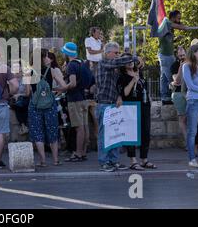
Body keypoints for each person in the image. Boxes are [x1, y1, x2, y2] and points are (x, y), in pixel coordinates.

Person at [96, 42, 141, 172]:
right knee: (104, 135)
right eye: (115, 53)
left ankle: (114, 161)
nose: (117, 55)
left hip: (113, 103)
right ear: (107, 52)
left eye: (118, 53)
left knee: (115, 134)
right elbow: (118, 62)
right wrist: (134, 57)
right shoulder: (104, 62)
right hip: (104, 103)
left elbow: (115, 86)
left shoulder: (112, 66)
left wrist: (119, 96)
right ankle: (104, 162)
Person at [25, 48, 66, 167]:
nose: (49, 58)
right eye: (47, 56)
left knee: (38, 132)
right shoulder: (52, 71)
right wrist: (52, 91)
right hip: (50, 104)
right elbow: (63, 86)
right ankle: (55, 160)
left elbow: (27, 93)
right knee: (52, 130)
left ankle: (43, 161)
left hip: (35, 105)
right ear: (43, 58)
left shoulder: (29, 72)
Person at [118, 54, 156, 170]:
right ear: (122, 64)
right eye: (126, 61)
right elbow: (125, 93)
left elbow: (140, 61)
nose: (130, 62)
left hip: (144, 105)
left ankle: (144, 159)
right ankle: (133, 160)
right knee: (131, 133)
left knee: (145, 132)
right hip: (131, 106)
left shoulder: (139, 73)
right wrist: (133, 81)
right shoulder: (122, 77)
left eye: (131, 60)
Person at [61, 43, 89, 162]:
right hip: (83, 98)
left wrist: (62, 88)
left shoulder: (71, 65)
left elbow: (72, 83)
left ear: (67, 53)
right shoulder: (81, 63)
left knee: (79, 128)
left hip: (74, 99)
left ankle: (77, 153)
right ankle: (83, 152)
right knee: (84, 126)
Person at [158, 10, 187, 105]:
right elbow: (178, 26)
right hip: (166, 55)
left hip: (166, 54)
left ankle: (165, 98)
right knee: (170, 76)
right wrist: (183, 27)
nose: (179, 20)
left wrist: (175, 40)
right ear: (173, 17)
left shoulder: (169, 26)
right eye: (178, 18)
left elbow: (166, 40)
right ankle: (170, 96)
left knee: (164, 77)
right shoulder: (166, 21)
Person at [170, 46, 187, 145]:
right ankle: (187, 142)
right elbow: (177, 81)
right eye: (180, 55)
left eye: (183, 55)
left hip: (189, 93)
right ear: (177, 55)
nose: (182, 57)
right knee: (182, 119)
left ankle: (193, 143)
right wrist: (181, 67)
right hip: (179, 93)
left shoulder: (190, 63)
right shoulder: (174, 66)